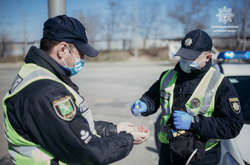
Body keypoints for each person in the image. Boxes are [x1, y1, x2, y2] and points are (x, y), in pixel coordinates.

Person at [2, 15, 149, 165]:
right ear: (63, 49)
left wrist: (113, 129)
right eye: (81, 52)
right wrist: (128, 138)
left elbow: (69, 127)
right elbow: (90, 152)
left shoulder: (37, 75)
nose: (83, 58)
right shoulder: (47, 92)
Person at [131, 29, 244, 165]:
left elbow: (232, 125)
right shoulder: (167, 76)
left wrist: (194, 122)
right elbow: (152, 98)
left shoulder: (220, 84)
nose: (185, 60)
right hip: (169, 152)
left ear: (208, 57)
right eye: (184, 56)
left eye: (191, 57)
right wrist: (144, 104)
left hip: (201, 157)